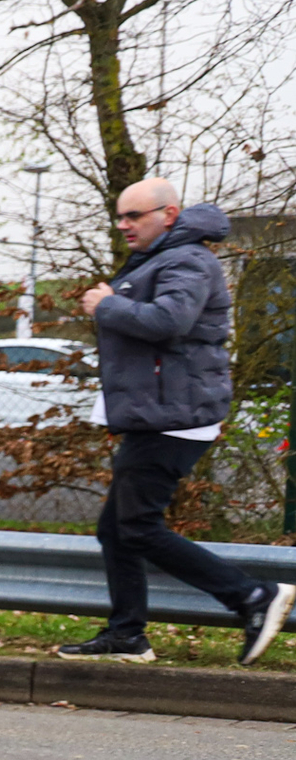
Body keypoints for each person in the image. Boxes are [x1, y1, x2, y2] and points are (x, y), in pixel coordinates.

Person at [56, 179, 295, 664]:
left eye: (134, 216)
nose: (123, 225)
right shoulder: (164, 257)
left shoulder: (187, 259)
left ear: (168, 214)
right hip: (157, 414)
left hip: (174, 417)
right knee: (116, 530)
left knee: (138, 526)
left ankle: (252, 596)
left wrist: (107, 305)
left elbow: (169, 321)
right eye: (120, 216)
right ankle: (127, 634)